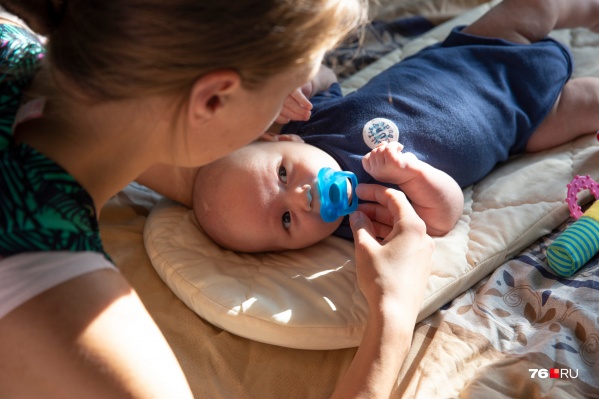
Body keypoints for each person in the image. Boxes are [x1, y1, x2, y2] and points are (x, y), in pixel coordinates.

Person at [0, 1, 433, 399]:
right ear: (212, 98)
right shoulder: (63, 308)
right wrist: (392, 313)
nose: (307, 94)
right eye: (293, 84)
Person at [173, 0, 599, 254]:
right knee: (587, 106)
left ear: (280, 138)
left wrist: (295, 82)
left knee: (532, 7)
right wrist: (412, 175)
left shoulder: (311, 121)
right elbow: (444, 215)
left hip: (473, 53)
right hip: (525, 123)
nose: (302, 197)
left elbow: (323, 77)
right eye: (285, 221)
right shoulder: (364, 219)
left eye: (282, 174)